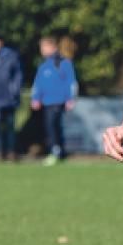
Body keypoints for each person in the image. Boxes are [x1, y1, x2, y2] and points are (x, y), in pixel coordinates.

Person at [31, 36, 77, 165]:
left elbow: (71, 82)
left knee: (54, 127)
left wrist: (70, 99)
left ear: (53, 47)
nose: (42, 50)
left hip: (58, 101)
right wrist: (36, 98)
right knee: (50, 127)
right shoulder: (43, 66)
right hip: (47, 102)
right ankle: (57, 151)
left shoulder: (64, 63)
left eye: (44, 47)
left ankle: (56, 152)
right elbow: (38, 84)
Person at [0, 33, 24, 161]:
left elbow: (18, 75)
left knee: (10, 127)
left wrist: (15, 91)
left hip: (9, 99)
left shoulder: (11, 56)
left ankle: (12, 151)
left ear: (0, 43)